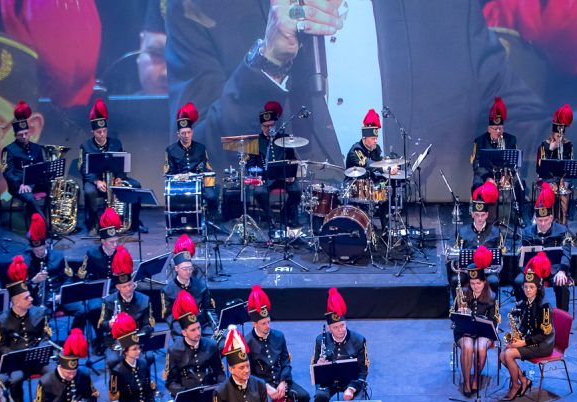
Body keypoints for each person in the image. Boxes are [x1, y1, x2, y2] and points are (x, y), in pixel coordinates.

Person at [165, 1, 546, 194]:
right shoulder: (201, 10)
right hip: (282, 276)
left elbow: (527, 126)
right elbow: (194, 163)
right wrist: (270, 60)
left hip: (418, 259)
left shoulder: (444, 8)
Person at [245, 285, 310, 402]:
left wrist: (283, 381)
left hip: (281, 380)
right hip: (262, 385)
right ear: (254, 324)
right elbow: (248, 373)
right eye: (263, 323)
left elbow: (286, 361)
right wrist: (266, 388)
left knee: (304, 396)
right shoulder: (247, 342)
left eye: (268, 322)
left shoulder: (279, 336)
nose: (267, 326)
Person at [165, 291, 223, 402]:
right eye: (193, 330)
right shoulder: (175, 350)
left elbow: (219, 372)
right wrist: (183, 393)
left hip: (209, 391)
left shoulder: (210, 345)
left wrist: (222, 388)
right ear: (184, 332)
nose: (198, 332)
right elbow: (170, 382)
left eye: (198, 328)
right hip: (188, 393)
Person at [311, 288, 369, 402]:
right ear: (329, 328)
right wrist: (319, 365)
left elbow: (363, 369)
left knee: (356, 399)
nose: (341, 330)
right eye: (336, 327)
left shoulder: (359, 340)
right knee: (320, 397)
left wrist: (351, 388)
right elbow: (314, 366)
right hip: (329, 381)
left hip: (351, 381)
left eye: (343, 325)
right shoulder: (320, 340)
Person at [0, 256, 52, 402]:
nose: (31, 299)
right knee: (15, 379)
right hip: (17, 360)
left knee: (52, 371)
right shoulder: (2, 320)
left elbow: (45, 336)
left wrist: (41, 349)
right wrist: (14, 356)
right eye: (26, 298)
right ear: (16, 302)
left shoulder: (39, 312)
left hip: (37, 356)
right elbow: (1, 346)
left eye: (30, 296)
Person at [78, 98, 143, 234]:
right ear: (92, 132)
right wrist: (96, 181)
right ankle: (95, 224)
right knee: (89, 192)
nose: (102, 134)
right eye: (99, 132)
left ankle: (135, 223)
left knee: (136, 186)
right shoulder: (86, 146)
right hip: (96, 181)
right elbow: (83, 168)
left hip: (114, 179)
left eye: (104, 131)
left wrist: (119, 178)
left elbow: (122, 164)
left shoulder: (116, 143)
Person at [500, 252, 554, 401]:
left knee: (509, 355)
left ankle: (515, 385)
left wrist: (522, 343)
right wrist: (515, 338)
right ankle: (524, 380)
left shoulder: (544, 306)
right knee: (502, 355)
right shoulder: (525, 303)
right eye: (525, 287)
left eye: (531, 287)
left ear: (538, 288)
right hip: (531, 340)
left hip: (543, 344)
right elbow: (524, 325)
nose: (528, 290)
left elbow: (543, 335)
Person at [513, 183, 572, 312]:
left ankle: (562, 317)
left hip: (554, 269)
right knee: (518, 281)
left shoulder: (562, 230)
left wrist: (562, 271)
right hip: (532, 270)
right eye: (540, 220)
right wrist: (527, 270)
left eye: (546, 220)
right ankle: (524, 313)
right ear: (535, 219)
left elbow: (566, 253)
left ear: (551, 218)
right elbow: (520, 255)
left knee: (562, 285)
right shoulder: (527, 232)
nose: (543, 223)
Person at [245, 101, 302, 230]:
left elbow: (292, 158)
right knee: (259, 192)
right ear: (261, 126)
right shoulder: (255, 141)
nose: (269, 128)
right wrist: (258, 175)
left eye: (271, 125)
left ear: (275, 124)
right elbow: (250, 165)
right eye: (266, 126)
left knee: (297, 190)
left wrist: (292, 175)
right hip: (265, 179)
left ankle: (284, 215)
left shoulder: (285, 138)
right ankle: (271, 218)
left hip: (284, 177)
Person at [453, 246, 500, 397]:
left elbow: (494, 321)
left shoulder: (491, 296)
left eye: (478, 283)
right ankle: (467, 382)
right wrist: (460, 313)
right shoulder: (463, 293)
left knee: (480, 348)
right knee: (467, 346)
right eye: (472, 284)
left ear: (484, 282)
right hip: (464, 332)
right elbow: (452, 317)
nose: (475, 287)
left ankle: (476, 378)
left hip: (484, 333)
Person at [98, 245, 154, 370]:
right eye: (124, 287)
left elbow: (148, 325)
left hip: (137, 339)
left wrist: (138, 336)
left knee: (149, 357)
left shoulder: (145, 299)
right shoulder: (108, 301)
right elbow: (101, 324)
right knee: (113, 360)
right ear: (118, 287)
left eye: (130, 285)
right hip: (116, 341)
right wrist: (110, 324)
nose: (128, 289)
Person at [75, 208, 123, 349]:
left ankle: (117, 336)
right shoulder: (92, 253)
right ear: (103, 241)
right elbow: (83, 275)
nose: (115, 245)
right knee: (94, 308)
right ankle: (100, 338)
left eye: (116, 241)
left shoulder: (121, 252)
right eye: (111, 242)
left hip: (115, 289)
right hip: (97, 291)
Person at [164, 102, 218, 217]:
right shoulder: (171, 150)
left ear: (192, 133)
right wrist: (179, 177)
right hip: (180, 184)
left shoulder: (201, 148)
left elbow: (207, 167)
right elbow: (168, 172)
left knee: (212, 196)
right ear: (178, 134)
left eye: (188, 132)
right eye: (183, 133)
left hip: (199, 182)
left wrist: (202, 174)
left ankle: (211, 219)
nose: (186, 135)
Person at [345, 109, 395, 230]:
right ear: (364, 138)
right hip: (355, 186)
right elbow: (368, 164)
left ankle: (386, 228)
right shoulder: (356, 150)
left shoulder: (374, 148)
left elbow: (379, 161)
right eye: (373, 138)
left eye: (376, 138)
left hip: (370, 183)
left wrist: (390, 163)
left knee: (386, 190)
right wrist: (385, 168)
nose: (375, 141)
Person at [0, 100, 48, 222]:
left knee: (55, 193)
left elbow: (41, 167)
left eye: (26, 133)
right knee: (30, 198)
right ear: (15, 135)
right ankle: (43, 226)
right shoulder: (8, 150)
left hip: (36, 183)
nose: (24, 137)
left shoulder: (37, 148)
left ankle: (53, 222)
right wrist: (20, 184)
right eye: (21, 135)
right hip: (19, 186)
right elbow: (7, 173)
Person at [162, 235, 215, 335]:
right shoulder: (168, 290)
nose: (188, 272)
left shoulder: (201, 285)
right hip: (181, 330)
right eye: (184, 269)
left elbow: (208, 309)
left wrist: (215, 326)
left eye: (190, 268)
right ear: (176, 269)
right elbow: (169, 317)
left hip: (201, 327)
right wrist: (185, 332)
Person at [456, 181, 503, 290]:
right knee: (456, 280)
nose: (480, 218)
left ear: (487, 215)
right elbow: (457, 253)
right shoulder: (463, 231)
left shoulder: (496, 232)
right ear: (472, 214)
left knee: (493, 280)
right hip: (468, 270)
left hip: (487, 270)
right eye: (477, 215)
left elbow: (499, 256)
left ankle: (491, 301)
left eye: (482, 215)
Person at [23, 213, 72, 309]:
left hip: (58, 294)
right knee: (41, 314)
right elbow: (21, 288)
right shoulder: (27, 261)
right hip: (40, 299)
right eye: (35, 250)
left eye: (41, 249)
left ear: (46, 244)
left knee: (81, 309)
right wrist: (33, 281)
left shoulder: (58, 256)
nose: (38, 253)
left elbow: (68, 278)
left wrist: (62, 295)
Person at [535, 104, 574, 223]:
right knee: (549, 191)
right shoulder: (544, 145)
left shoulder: (568, 144)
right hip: (548, 179)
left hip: (563, 179)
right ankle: (547, 220)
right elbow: (540, 169)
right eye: (557, 136)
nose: (559, 138)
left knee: (564, 192)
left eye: (561, 136)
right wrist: (550, 150)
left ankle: (563, 221)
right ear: (553, 133)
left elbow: (570, 167)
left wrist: (562, 181)